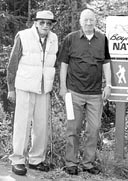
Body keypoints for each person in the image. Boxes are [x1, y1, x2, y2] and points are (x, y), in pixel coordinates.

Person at [58, 8, 112, 175]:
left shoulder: (102, 39)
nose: (89, 23)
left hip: (95, 94)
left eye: (91, 20)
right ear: (81, 22)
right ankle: (71, 163)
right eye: (85, 20)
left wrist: (108, 84)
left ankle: (88, 163)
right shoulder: (70, 39)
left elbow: (106, 63)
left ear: (95, 21)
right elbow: (64, 64)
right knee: (72, 128)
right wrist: (62, 87)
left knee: (94, 129)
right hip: (73, 93)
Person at [6, 10, 58, 176]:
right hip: (24, 86)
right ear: (35, 22)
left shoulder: (54, 39)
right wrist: (10, 89)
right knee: (22, 125)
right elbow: (13, 64)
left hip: (44, 89)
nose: (45, 26)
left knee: (41, 126)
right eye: (41, 22)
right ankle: (18, 160)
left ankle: (36, 160)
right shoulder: (23, 36)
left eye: (48, 23)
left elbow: (52, 64)